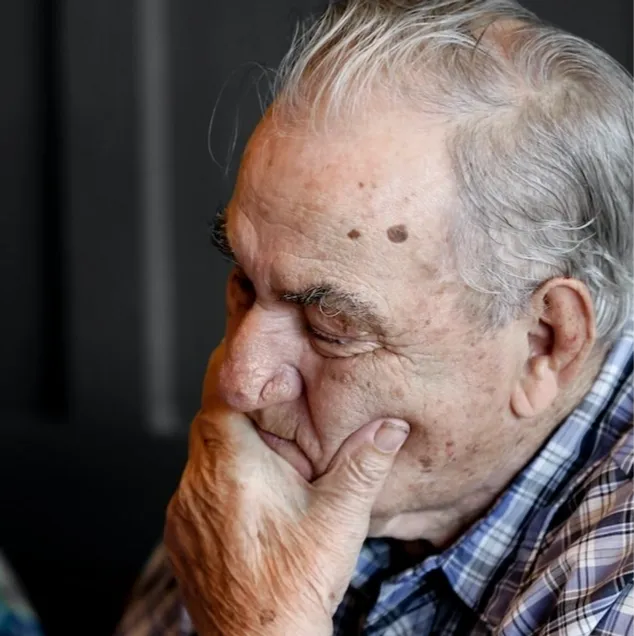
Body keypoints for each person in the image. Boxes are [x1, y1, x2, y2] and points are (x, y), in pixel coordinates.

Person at [116, 0, 634, 633]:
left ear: (544, 343)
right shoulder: (288, 457)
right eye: (245, 285)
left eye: (332, 329)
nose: (241, 380)